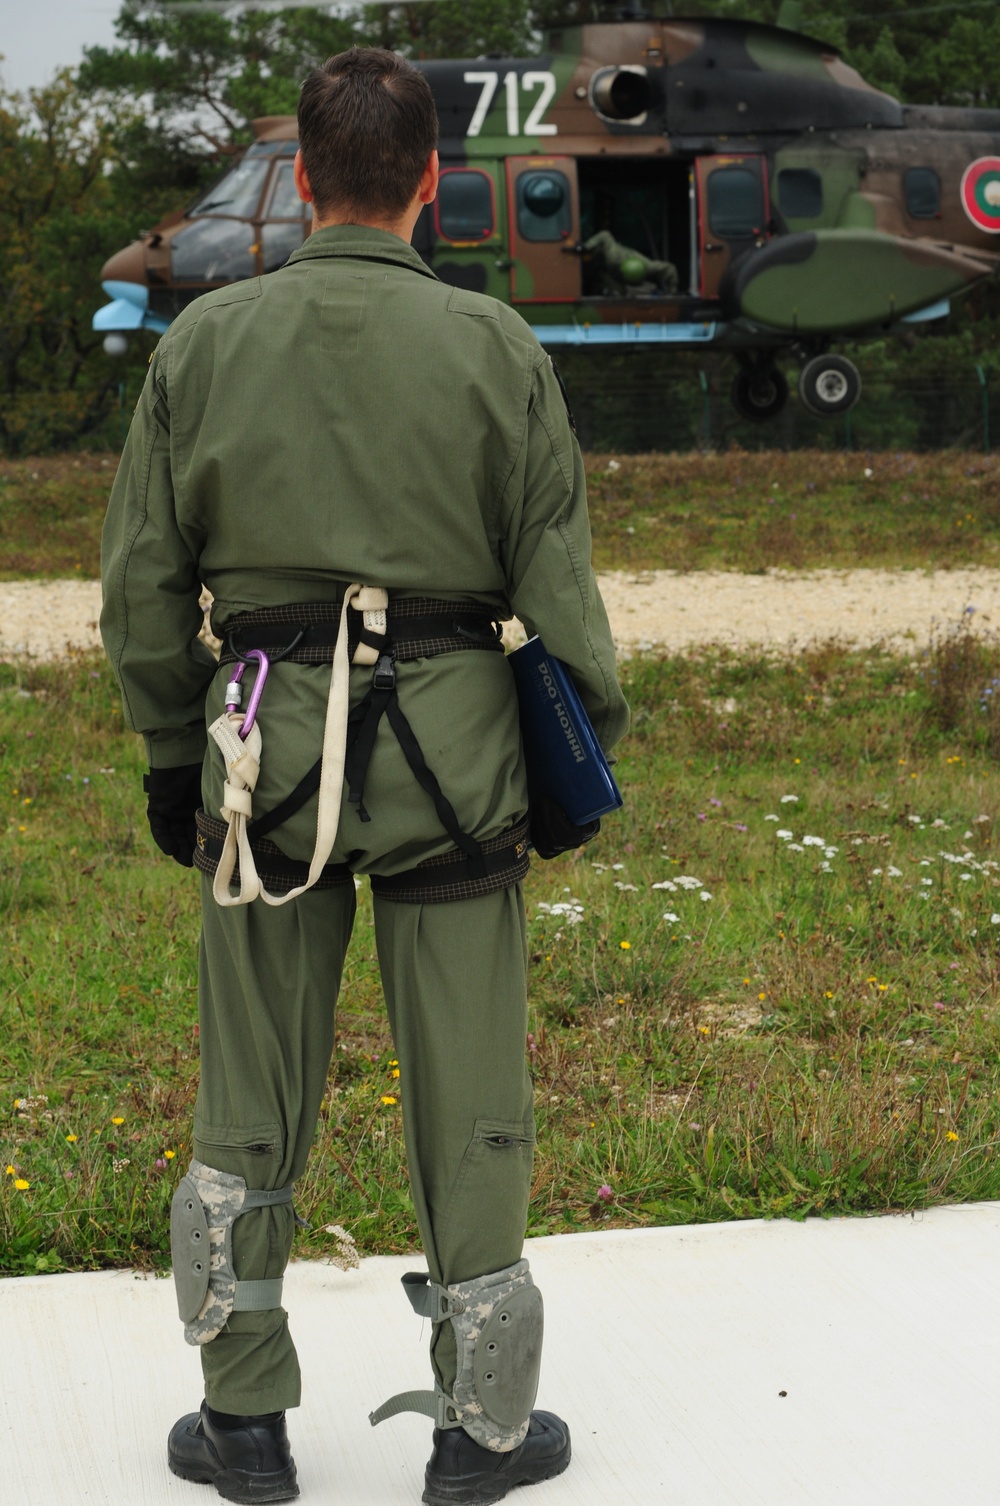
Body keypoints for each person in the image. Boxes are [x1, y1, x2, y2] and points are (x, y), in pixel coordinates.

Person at [101, 46, 628, 1506]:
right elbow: (560, 592)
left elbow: (146, 578)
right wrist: (575, 745)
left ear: (307, 183)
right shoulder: (494, 347)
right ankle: (484, 1429)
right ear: (431, 188)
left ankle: (246, 1421)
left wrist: (166, 748)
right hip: (459, 761)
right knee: (473, 1088)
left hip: (263, 753)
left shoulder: (201, 347)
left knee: (248, 1087)